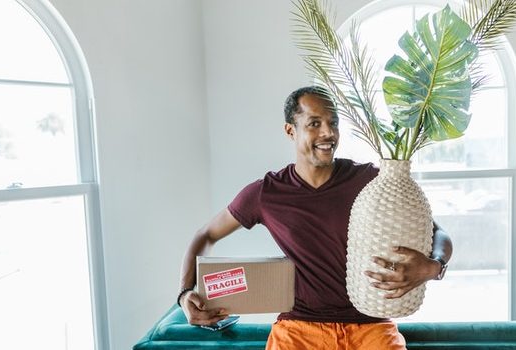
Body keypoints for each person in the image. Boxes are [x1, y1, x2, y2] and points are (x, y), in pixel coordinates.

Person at [177, 86, 453, 349]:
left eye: (333, 123)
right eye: (314, 123)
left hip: (371, 325)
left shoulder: (370, 181)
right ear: (290, 130)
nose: (328, 132)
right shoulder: (266, 193)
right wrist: (184, 294)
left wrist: (434, 267)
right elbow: (206, 234)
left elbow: (437, 233)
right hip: (298, 328)